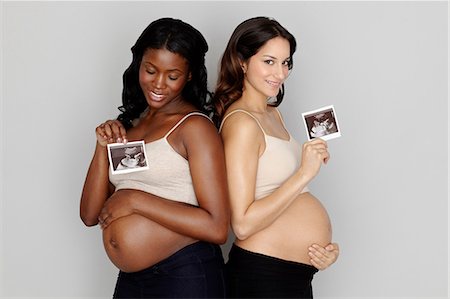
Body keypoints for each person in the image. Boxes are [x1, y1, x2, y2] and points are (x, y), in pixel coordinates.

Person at [80, 18, 229, 298]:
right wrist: (102, 147)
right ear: (138, 64)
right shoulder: (130, 126)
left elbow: (217, 227)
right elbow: (90, 215)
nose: (159, 84)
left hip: (185, 273)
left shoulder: (194, 128)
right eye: (150, 70)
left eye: (172, 76)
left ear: (189, 76)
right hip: (133, 279)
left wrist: (135, 200)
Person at [212, 16, 339, 298]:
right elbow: (243, 224)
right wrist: (304, 174)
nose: (280, 74)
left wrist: (325, 252)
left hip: (292, 277)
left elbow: (290, 199)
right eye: (269, 61)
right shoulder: (242, 124)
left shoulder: (273, 114)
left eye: (286, 62)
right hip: (263, 276)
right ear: (242, 61)